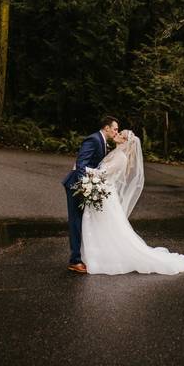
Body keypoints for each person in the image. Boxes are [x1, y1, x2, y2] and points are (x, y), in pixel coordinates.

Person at [80, 129, 184, 275]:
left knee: (105, 225)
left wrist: (84, 171)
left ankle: (102, 257)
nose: (117, 135)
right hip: (104, 191)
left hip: (105, 194)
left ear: (126, 142)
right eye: (118, 132)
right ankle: (97, 254)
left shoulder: (121, 157)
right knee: (104, 225)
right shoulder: (115, 153)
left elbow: (103, 173)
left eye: (120, 134)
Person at [61, 115, 119, 273]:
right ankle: (75, 260)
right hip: (76, 185)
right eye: (115, 129)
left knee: (82, 221)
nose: (116, 132)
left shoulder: (103, 142)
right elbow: (81, 165)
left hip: (87, 185)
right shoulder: (93, 139)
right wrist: (85, 187)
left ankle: (82, 257)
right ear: (106, 128)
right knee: (75, 222)